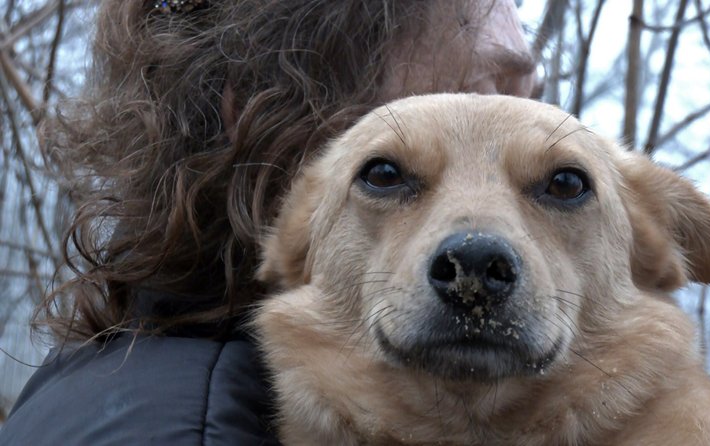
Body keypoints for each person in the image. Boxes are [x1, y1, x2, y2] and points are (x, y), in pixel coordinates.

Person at [0, 0, 538, 444]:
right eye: (482, 94)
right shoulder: (196, 429)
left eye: (533, 101)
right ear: (265, 124)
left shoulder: (145, 381)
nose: (543, 134)